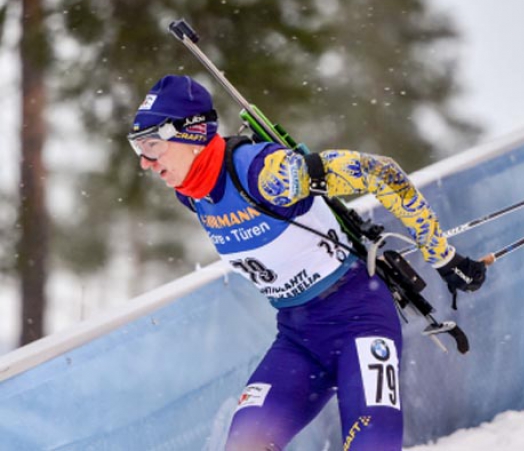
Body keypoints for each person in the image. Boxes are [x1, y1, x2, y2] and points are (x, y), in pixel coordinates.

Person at [127, 74, 487, 451]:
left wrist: (443, 257)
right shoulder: (193, 192)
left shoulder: (264, 174)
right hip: (299, 339)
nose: (145, 163)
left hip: (360, 322)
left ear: (193, 134)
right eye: (137, 148)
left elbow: (383, 173)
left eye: (152, 145)